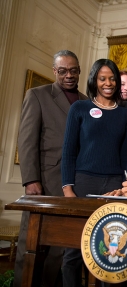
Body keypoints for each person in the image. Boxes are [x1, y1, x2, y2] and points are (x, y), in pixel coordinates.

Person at [15, 50, 87, 287]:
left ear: (79, 71)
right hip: (45, 180)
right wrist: (30, 179)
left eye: (73, 70)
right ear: (55, 71)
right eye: (63, 70)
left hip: (76, 184)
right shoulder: (38, 95)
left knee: (62, 247)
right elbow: (27, 140)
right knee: (32, 244)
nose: (69, 75)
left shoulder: (86, 101)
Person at [61, 58, 127, 287]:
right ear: (94, 80)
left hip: (113, 187)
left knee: (108, 256)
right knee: (73, 252)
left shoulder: (126, 116)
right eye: (102, 78)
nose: (108, 83)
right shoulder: (79, 108)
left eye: (112, 78)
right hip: (83, 184)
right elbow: (69, 150)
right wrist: (67, 188)